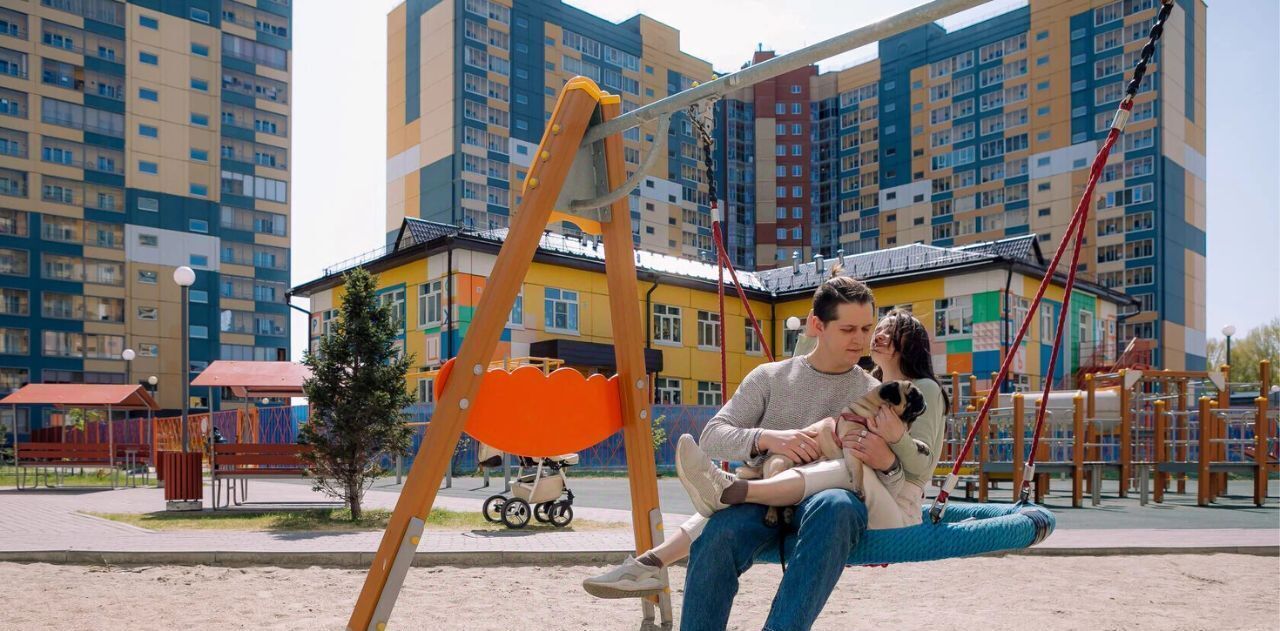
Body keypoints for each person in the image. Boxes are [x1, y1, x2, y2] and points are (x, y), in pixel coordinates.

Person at [583, 303, 948, 630]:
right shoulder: (775, 377)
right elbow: (714, 435)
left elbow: (906, 469)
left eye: (867, 329)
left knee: (836, 502)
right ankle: (654, 560)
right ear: (817, 327)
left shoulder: (880, 392)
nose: (865, 339)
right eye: (850, 329)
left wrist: (887, 455)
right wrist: (768, 438)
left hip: (835, 501)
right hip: (776, 495)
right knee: (720, 529)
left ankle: (728, 494)